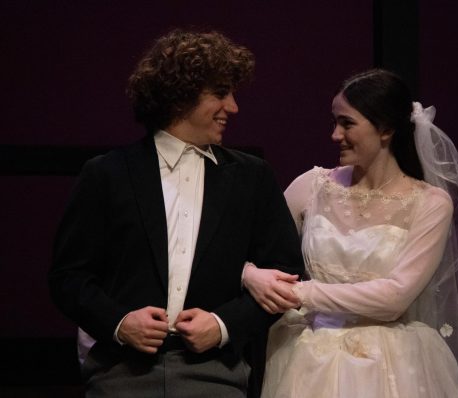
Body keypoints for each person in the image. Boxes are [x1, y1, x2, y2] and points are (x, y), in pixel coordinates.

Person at [48, 29, 303, 398]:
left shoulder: (251, 177)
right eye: (220, 93)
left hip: (216, 374)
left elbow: (287, 273)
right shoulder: (109, 173)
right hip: (123, 374)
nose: (233, 107)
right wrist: (119, 322)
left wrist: (223, 323)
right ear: (180, 95)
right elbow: (68, 277)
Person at [242, 69, 458, 397]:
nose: (335, 134)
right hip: (309, 357)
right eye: (334, 122)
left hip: (390, 363)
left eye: (347, 123)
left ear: (385, 129)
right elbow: (247, 249)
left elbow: (395, 296)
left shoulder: (430, 204)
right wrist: (249, 274)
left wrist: (302, 294)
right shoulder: (310, 187)